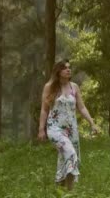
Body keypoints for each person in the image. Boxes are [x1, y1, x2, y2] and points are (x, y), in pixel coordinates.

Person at [37, 59, 101, 190]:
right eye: (65, 68)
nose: (68, 70)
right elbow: (44, 109)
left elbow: (82, 108)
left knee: (64, 157)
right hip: (54, 128)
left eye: (69, 68)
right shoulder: (49, 87)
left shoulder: (74, 87)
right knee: (71, 154)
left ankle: (59, 188)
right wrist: (41, 129)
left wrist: (92, 123)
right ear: (58, 71)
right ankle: (70, 191)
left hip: (72, 129)